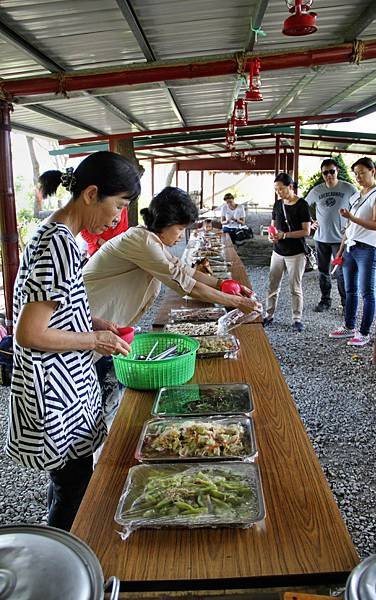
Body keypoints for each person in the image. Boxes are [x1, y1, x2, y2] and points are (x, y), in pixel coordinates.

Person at [6, 151, 140, 531]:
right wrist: (94, 339)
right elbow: (29, 332)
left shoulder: (57, 234)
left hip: (63, 386)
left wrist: (95, 321)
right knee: (74, 488)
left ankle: (56, 544)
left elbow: (52, 307)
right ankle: (64, 562)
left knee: (67, 480)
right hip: (56, 392)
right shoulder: (59, 244)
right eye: (118, 205)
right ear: (91, 193)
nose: (118, 217)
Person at [83, 187, 261, 328]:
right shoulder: (143, 242)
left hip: (98, 317)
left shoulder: (150, 239)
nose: (180, 235)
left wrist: (220, 284)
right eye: (180, 228)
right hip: (89, 315)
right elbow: (187, 286)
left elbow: (182, 269)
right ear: (166, 222)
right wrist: (237, 301)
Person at [329, 157, 376, 347]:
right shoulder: (358, 195)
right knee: (349, 289)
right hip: (350, 247)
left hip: (368, 248)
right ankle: (349, 326)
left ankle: (364, 332)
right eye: (356, 174)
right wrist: (340, 249)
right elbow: (348, 226)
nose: (358, 177)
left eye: (362, 172)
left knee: (366, 291)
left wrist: (351, 216)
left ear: (373, 171)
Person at [305, 158, 357, 312]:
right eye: (325, 172)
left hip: (340, 240)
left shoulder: (349, 188)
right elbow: (302, 206)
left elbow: (359, 208)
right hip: (321, 239)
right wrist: (309, 222)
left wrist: (350, 225)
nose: (329, 175)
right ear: (322, 174)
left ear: (337, 171)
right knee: (323, 272)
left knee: (341, 273)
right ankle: (325, 301)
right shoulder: (317, 190)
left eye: (331, 171)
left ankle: (345, 303)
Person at [264, 173, 311, 332]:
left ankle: (297, 318)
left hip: (296, 253)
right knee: (272, 285)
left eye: (281, 189)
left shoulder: (302, 205)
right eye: (276, 189)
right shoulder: (277, 204)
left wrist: (285, 235)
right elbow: (273, 226)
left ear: (290, 187)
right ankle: (268, 315)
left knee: (295, 288)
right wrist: (272, 237)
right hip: (278, 252)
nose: (279, 192)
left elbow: (306, 231)